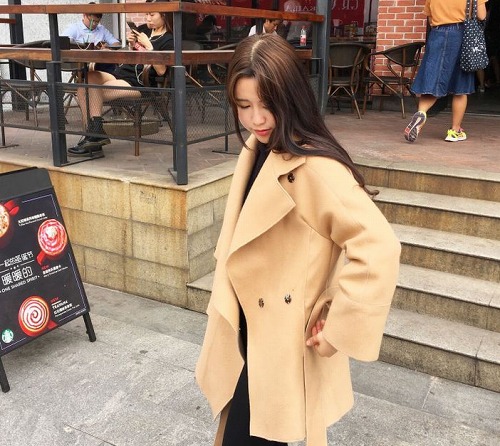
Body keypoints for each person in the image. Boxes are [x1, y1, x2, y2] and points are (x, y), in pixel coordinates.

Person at [195, 34, 401, 446]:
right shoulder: (258, 147)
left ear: (291, 96)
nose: (257, 118)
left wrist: (339, 325)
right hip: (247, 330)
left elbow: (379, 246)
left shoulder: (314, 167)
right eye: (244, 105)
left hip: (279, 339)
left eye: (267, 103)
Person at [67, 0, 174, 157]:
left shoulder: (169, 40)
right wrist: (131, 45)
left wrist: (149, 47)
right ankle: (94, 135)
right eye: (146, 14)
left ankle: (93, 138)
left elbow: (161, 71)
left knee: (88, 92)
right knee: (87, 80)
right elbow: (131, 56)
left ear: (164, 15)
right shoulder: (143, 30)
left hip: (139, 83)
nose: (148, 19)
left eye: (152, 15)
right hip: (121, 72)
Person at [404, 0, 488, 143]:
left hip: (437, 34)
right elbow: (481, 15)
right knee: (460, 86)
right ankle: (455, 131)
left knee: (433, 79)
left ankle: (421, 113)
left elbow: (430, 18)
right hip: (462, 35)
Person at [61, 2, 120, 74]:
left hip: (101, 61)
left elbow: (116, 43)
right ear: (84, 15)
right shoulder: (74, 28)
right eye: (92, 21)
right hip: (82, 63)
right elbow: (62, 42)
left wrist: (108, 47)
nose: (94, 24)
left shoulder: (101, 29)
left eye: (97, 22)